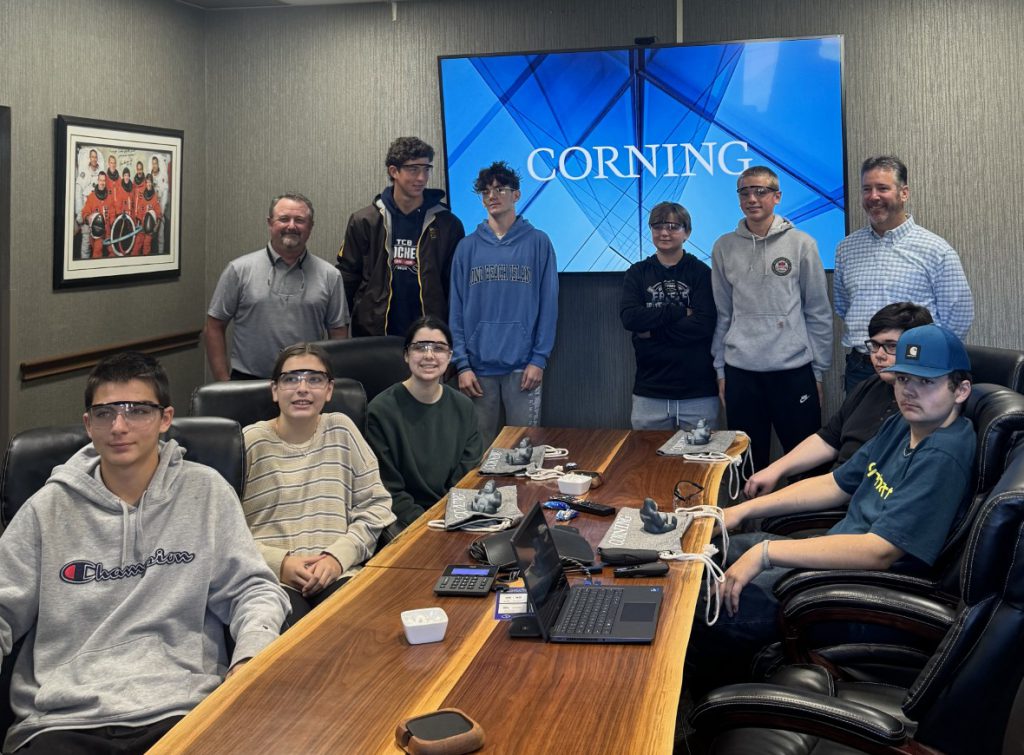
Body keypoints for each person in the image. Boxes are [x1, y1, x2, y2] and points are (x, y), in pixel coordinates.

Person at [0, 352, 289, 753]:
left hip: (183, 708)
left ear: (165, 419)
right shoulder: (46, 510)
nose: (119, 426)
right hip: (62, 720)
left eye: (137, 410)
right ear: (88, 424)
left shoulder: (205, 492)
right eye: (104, 413)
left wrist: (250, 659)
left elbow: (253, 591)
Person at [686, 323, 975, 694]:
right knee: (706, 553)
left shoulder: (944, 454)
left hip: (858, 594)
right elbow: (835, 483)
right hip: (834, 560)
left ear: (961, 390)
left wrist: (766, 553)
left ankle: (698, 718)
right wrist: (741, 511)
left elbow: (880, 550)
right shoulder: (903, 426)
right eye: (903, 379)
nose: (909, 391)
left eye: (926, 382)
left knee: (703, 603)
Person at [242, 343, 396, 623]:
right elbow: (224, 529)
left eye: (314, 379)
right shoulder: (249, 442)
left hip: (339, 571)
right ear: (275, 390)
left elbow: (376, 505)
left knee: (360, 632)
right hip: (271, 577)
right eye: (291, 379)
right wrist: (279, 563)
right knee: (281, 644)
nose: (303, 388)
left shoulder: (342, 429)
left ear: (329, 390)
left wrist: (338, 557)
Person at [711, 165, 832, 471]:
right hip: (741, 372)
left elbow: (818, 312)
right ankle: (747, 520)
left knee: (806, 462)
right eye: (745, 192)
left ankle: (804, 520)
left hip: (793, 371)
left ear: (777, 196)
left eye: (760, 191)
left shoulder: (802, 243)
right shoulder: (724, 247)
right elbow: (723, 314)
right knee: (746, 465)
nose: (752, 198)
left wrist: (817, 372)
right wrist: (721, 369)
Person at [744, 302, 934, 497]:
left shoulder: (924, 406)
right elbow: (829, 439)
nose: (878, 355)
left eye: (891, 346)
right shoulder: (869, 386)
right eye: (874, 345)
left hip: (861, 498)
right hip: (833, 485)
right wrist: (775, 469)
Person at [834, 156, 973, 393]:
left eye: (883, 188)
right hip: (862, 368)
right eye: (867, 189)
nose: (873, 196)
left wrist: (923, 355)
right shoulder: (846, 248)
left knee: (915, 431)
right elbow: (843, 305)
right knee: (858, 431)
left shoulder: (935, 249)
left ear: (904, 193)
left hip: (916, 368)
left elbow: (958, 316)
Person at [449, 161, 559, 445]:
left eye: (500, 189)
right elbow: (457, 310)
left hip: (523, 369)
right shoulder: (467, 247)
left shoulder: (538, 243)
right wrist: (461, 364)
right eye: (486, 192)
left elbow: (549, 306)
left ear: (517, 195)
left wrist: (539, 359)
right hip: (476, 370)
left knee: (524, 450)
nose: (492, 196)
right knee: (477, 453)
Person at [205, 193, 349, 381]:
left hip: (305, 382)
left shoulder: (330, 276)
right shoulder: (238, 270)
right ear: (270, 223)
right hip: (248, 380)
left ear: (311, 226)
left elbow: (338, 334)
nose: (291, 226)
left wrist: (330, 382)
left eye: (299, 220)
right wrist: (223, 383)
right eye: (283, 219)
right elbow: (214, 326)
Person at [337, 136, 465, 337]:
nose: (422, 177)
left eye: (426, 169)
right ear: (393, 171)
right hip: (374, 336)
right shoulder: (365, 221)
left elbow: (455, 287)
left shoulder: (448, 224)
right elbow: (347, 279)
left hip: (430, 337)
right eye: (414, 169)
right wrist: (341, 334)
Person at [365, 315, 483, 530]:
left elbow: (467, 477)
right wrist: (429, 524)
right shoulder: (381, 411)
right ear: (406, 355)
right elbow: (387, 488)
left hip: (455, 515)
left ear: (449, 357)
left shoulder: (464, 407)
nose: (429, 355)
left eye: (438, 348)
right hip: (407, 520)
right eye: (420, 347)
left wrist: (452, 518)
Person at [620, 201, 718, 430]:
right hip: (649, 392)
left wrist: (651, 330)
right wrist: (680, 311)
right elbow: (630, 319)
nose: (664, 232)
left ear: (687, 232)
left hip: (699, 393)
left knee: (700, 464)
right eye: (657, 226)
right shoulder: (637, 273)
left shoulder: (702, 273)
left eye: (673, 226)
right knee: (645, 463)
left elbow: (704, 325)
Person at [79, 171, 119, 260]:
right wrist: (88, 217)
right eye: (100, 180)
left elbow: (112, 213)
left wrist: (113, 222)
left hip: (108, 231)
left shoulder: (109, 197)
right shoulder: (91, 197)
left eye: (104, 180)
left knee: (113, 252)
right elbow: (85, 212)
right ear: (98, 181)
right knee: (97, 251)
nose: (102, 183)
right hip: (97, 232)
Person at [132, 174, 162, 256]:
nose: (148, 184)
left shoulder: (155, 197)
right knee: (136, 246)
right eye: (147, 182)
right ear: (145, 183)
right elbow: (140, 210)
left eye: (150, 182)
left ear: (152, 183)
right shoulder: (143, 196)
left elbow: (158, 214)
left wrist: (155, 228)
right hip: (142, 226)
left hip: (150, 228)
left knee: (146, 246)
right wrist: (138, 220)